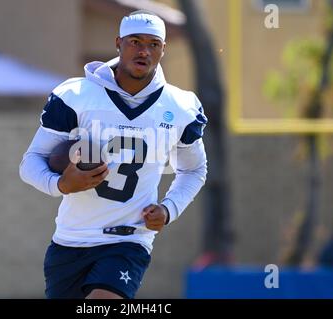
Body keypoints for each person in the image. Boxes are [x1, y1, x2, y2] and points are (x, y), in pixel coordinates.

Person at [19, 10, 208, 299]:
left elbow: (194, 169)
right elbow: (30, 163)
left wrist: (169, 209)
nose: (144, 50)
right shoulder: (76, 95)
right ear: (118, 43)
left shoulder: (181, 106)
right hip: (70, 240)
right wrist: (61, 184)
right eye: (135, 41)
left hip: (128, 241)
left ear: (163, 50)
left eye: (153, 44)